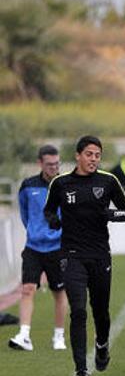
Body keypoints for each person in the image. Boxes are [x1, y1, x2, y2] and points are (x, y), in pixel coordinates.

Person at [43, 136, 125, 376]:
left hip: (100, 255)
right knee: (79, 311)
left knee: (101, 312)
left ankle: (102, 345)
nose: (94, 159)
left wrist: (110, 214)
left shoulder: (108, 181)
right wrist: (53, 220)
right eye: (90, 154)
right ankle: (81, 371)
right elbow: (49, 210)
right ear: (78, 155)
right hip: (71, 256)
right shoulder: (61, 183)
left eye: (97, 155)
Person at [9, 145, 68, 352]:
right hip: (33, 247)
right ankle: (24, 335)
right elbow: (26, 215)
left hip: (58, 248)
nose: (54, 168)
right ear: (40, 163)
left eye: (56, 164)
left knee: (59, 292)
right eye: (49, 164)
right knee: (27, 289)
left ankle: (58, 336)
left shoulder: (66, 185)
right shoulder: (27, 186)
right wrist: (36, 231)